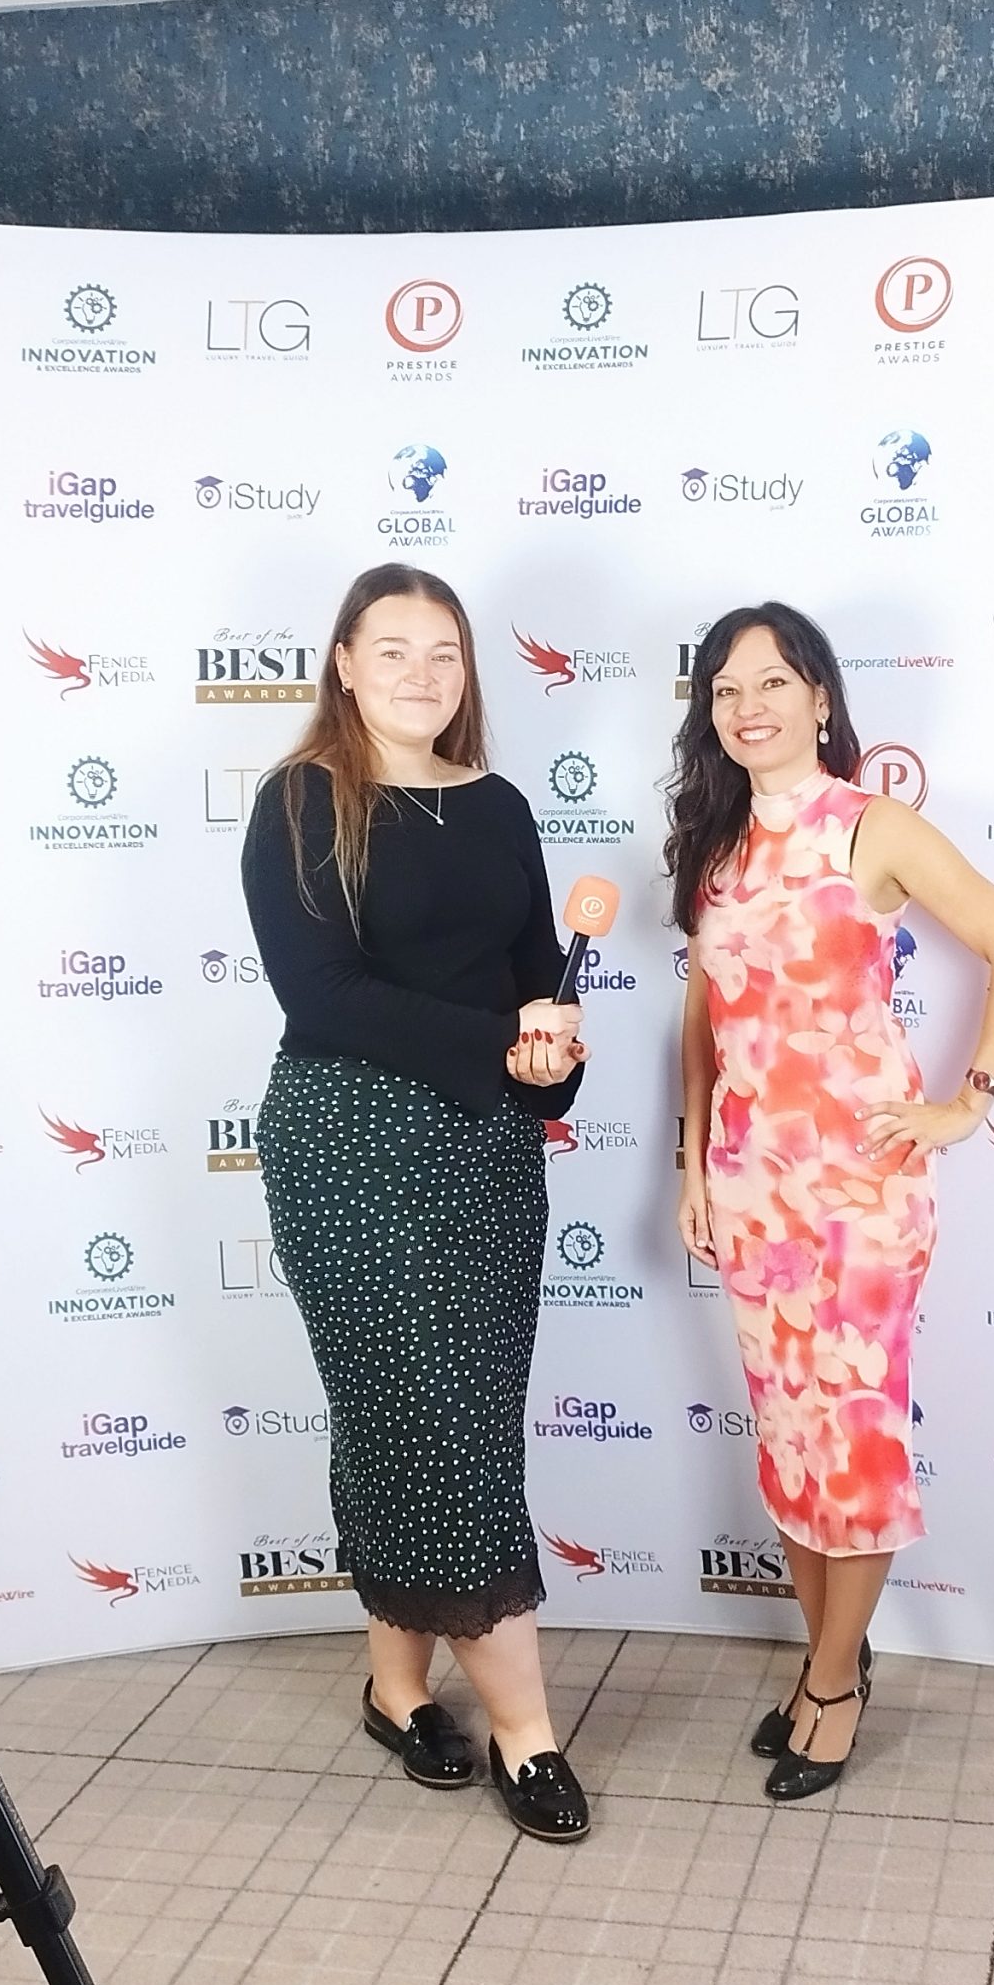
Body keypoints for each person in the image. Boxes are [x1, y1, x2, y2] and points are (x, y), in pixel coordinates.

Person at [670, 603, 994, 1801]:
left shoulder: (871, 825)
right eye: (726, 690)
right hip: (751, 1192)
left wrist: (966, 1102)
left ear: (821, 697)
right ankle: (825, 1659)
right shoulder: (716, 847)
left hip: (863, 1195)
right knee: (790, 1437)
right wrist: (691, 1164)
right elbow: (704, 1019)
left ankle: (832, 1685)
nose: (750, 707)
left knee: (856, 1441)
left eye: (773, 682)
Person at [242, 564, 592, 1841]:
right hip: (351, 1143)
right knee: (431, 1422)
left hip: (489, 1149)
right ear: (343, 661)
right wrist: (501, 1041)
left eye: (443, 651)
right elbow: (322, 996)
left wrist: (553, 1052)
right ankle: (526, 1730)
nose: (420, 674)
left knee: (440, 1420)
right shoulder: (302, 799)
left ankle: (395, 1690)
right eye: (391, 649)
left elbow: (538, 976)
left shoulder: (497, 805)